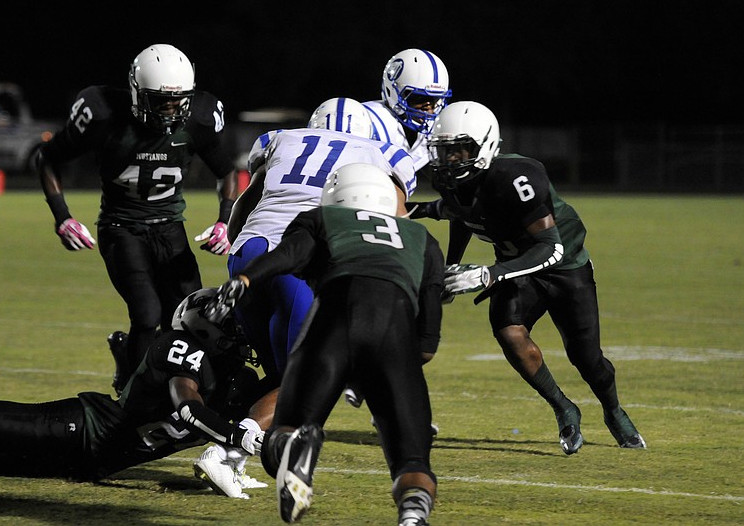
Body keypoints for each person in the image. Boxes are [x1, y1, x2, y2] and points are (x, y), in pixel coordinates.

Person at [207, 163, 444, 525]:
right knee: (412, 459)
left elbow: (287, 256)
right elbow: (426, 344)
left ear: (335, 196)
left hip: (332, 319)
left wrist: (244, 279)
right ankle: (412, 515)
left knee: (286, 430)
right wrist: (374, 375)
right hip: (394, 334)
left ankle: (294, 449)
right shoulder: (422, 240)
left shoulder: (321, 219)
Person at [411, 100, 646, 454]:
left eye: (460, 151)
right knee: (508, 330)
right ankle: (563, 407)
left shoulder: (517, 176)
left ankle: (613, 410)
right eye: (445, 151)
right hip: (514, 264)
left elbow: (550, 248)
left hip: (563, 265)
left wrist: (490, 275)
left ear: (485, 145)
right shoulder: (455, 181)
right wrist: (452, 266)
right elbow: (461, 214)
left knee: (587, 359)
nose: (450, 160)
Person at [0, 289, 268, 496]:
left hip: (92, 462)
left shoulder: (234, 376)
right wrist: (240, 437)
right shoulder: (181, 349)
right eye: (229, 324)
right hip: (79, 429)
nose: (238, 330)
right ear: (202, 328)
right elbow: (188, 407)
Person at [37, 44, 239, 395]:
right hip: (121, 228)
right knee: (147, 314)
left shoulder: (198, 119)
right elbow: (48, 158)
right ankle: (135, 395)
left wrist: (225, 221)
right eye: (160, 99)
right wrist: (63, 218)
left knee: (188, 317)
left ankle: (152, 372)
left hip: (170, 227)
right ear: (136, 91)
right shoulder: (103, 117)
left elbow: (227, 172)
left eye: (177, 100)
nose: (170, 108)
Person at [226, 97, 417, 381]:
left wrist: (238, 248)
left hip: (248, 250)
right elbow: (398, 222)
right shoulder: (383, 152)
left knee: (276, 374)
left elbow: (244, 206)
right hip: (300, 261)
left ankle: (236, 418)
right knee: (298, 381)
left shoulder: (282, 138)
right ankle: (247, 426)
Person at [362, 48, 452, 171]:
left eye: (434, 99)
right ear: (392, 91)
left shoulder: (433, 129)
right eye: (419, 97)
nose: (428, 107)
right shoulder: (365, 118)